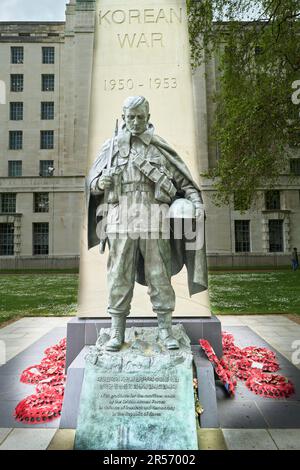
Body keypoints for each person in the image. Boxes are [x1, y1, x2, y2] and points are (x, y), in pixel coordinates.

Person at [86, 96, 208, 351]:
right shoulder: (111, 148)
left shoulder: (159, 149)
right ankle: (117, 331)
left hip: (155, 218)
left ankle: (165, 330)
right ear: (123, 116)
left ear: (148, 117)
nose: (135, 121)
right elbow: (92, 184)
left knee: (159, 276)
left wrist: (196, 205)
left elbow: (185, 184)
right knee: (119, 275)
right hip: (121, 219)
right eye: (130, 117)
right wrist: (101, 183)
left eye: (141, 117)